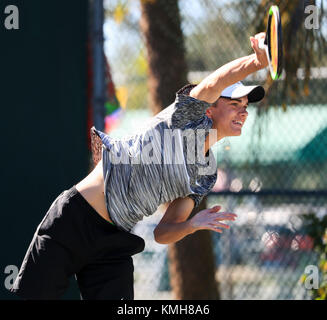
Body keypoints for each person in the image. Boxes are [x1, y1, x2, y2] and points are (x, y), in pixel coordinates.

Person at [11, 32, 268, 300]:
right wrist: (256, 62)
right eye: (235, 104)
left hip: (115, 241)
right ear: (209, 110)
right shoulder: (186, 119)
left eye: (246, 106)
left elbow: (163, 232)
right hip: (76, 217)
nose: (243, 111)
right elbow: (215, 81)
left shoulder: (205, 174)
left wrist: (192, 225)